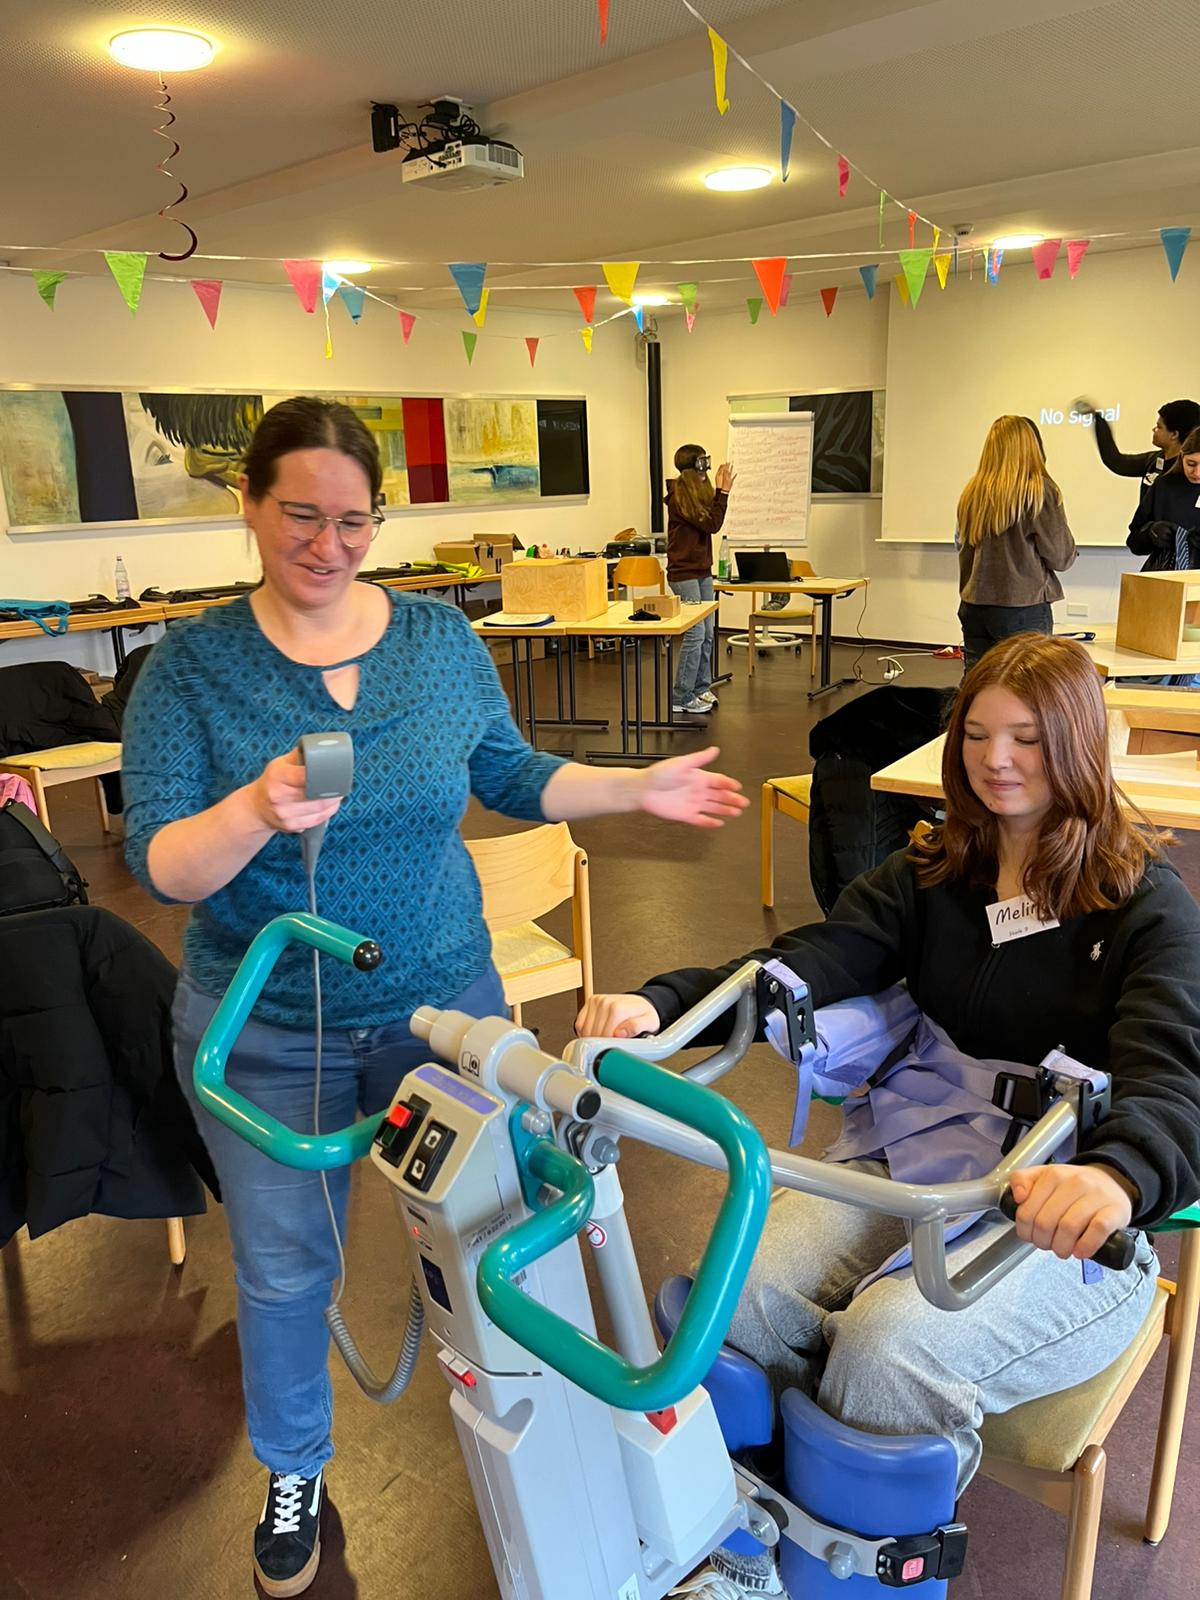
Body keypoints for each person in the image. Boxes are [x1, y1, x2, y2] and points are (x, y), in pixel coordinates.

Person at [121, 397, 749, 1599]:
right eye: (300, 515)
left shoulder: (437, 641)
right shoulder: (190, 671)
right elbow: (161, 863)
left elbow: (509, 773)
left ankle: (539, 1439)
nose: (328, 544)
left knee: (499, 1242)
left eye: (353, 520)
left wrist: (635, 788)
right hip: (268, 1029)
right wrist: (253, 809)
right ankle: (295, 1469)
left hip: (443, 1011)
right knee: (285, 1272)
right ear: (249, 503)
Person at [578, 633, 1200, 1598]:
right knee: (735, 1298)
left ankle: (856, 1582)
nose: (996, 761)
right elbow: (812, 957)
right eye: (977, 735)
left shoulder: (1144, 906)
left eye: (1028, 739)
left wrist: (1116, 1178)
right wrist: (666, 1004)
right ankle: (747, 1554)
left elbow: (1175, 1077)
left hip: (1066, 1218)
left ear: (1078, 744)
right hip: (918, 1154)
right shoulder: (935, 870)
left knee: (886, 1350)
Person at [955, 415, 1076, 670]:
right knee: (1027, 684)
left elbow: (963, 550)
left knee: (979, 681)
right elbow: (1061, 557)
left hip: (974, 605)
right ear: (1031, 446)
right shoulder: (1039, 491)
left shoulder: (971, 493)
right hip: (1022, 607)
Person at [666, 443, 735, 714]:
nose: (705, 471)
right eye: (701, 465)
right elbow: (711, 524)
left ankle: (700, 687)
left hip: (702, 570)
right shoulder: (679, 498)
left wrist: (718, 492)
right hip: (683, 573)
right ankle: (680, 696)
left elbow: (711, 519)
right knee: (695, 633)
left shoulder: (697, 494)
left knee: (708, 632)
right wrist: (723, 492)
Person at [1078, 395, 1200, 528]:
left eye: (1159, 427)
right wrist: (1099, 421)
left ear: (1174, 434)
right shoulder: (1154, 460)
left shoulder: (1192, 474)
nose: (1154, 430)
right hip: (1147, 536)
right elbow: (1116, 462)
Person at [1127, 424, 1200, 571]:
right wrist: (1151, 533)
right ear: (1181, 457)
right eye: (1191, 464)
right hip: (1166, 574)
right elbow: (1134, 542)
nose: (1197, 472)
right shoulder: (1164, 486)